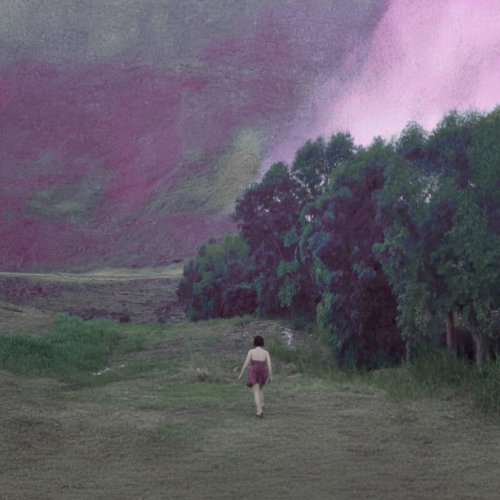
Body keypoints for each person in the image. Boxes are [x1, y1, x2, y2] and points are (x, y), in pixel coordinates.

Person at [238, 335, 272, 418]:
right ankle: (262, 404)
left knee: (256, 392)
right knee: (260, 389)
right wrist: (270, 376)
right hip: (263, 372)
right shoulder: (266, 352)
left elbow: (246, 364)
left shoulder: (251, 351)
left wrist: (241, 374)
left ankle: (259, 411)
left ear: (254, 343)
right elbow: (269, 365)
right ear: (262, 343)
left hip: (254, 372)